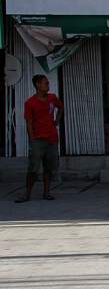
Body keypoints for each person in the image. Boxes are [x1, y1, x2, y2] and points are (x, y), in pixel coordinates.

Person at [17, 75, 64, 203]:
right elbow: (29, 123)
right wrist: (32, 140)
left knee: (49, 167)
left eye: (48, 83)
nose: (48, 85)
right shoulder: (30, 102)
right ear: (38, 85)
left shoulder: (52, 98)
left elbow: (61, 107)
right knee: (33, 168)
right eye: (45, 83)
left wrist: (56, 121)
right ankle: (27, 194)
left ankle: (47, 192)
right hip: (38, 139)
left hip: (52, 138)